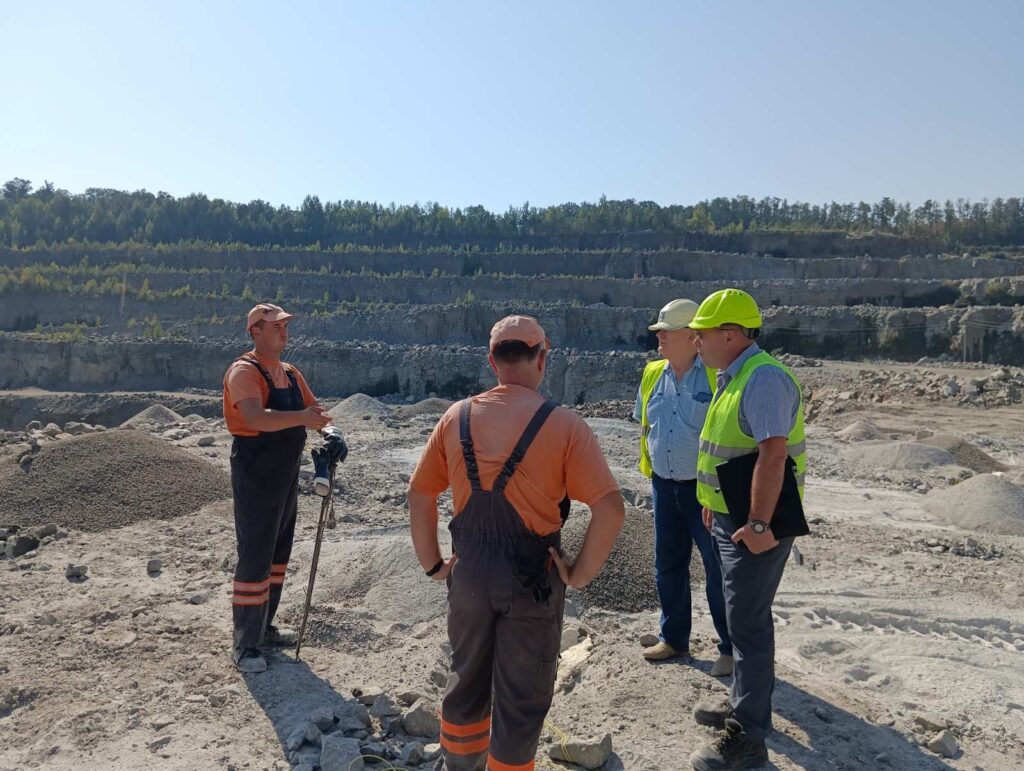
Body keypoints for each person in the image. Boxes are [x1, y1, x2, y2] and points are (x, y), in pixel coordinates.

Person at [408, 314, 625, 771]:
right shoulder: (565, 425)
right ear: (542, 358)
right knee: (522, 697)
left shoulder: (455, 417)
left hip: (470, 574)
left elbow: (420, 493)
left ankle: (460, 766)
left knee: (466, 679)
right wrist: (578, 574)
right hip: (533, 580)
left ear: (492, 362)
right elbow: (610, 509)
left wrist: (434, 565)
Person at [685, 289, 807, 771]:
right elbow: (732, 452)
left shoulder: (763, 379)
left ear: (731, 335)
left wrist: (758, 523)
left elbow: (773, 455)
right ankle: (743, 704)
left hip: (756, 524)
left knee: (749, 624)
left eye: (702, 333)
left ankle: (748, 738)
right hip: (730, 517)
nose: (696, 341)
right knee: (740, 620)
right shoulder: (733, 376)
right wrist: (714, 503)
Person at [222, 303, 335, 673]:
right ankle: (245, 645)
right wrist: (301, 418)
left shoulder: (289, 372)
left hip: (285, 475)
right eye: (275, 326)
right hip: (256, 474)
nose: (284, 331)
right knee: (255, 555)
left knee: (277, 554)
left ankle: (264, 628)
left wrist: (331, 433)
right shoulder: (244, 371)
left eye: (285, 325)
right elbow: (255, 417)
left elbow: (315, 412)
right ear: (255, 331)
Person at [635, 299, 733, 676]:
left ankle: (730, 649)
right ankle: (674, 638)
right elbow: (646, 424)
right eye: (658, 332)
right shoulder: (652, 375)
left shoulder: (715, 377)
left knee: (717, 569)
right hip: (664, 485)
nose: (659, 337)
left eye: (666, 332)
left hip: (704, 491)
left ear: (692, 337)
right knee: (668, 565)